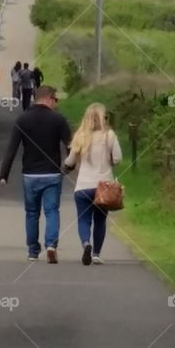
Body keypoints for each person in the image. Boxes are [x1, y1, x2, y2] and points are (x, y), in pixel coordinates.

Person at [0, 85, 71, 262]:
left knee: (32, 213)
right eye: (55, 100)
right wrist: (70, 165)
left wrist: (3, 174)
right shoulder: (59, 120)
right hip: (52, 174)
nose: (56, 103)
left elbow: (11, 149)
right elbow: (71, 145)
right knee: (52, 210)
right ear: (48, 98)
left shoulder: (23, 120)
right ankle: (51, 245)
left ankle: (32, 250)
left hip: (30, 175)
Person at [64, 103, 123, 265]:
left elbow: (70, 161)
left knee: (83, 220)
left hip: (83, 185)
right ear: (103, 118)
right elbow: (118, 158)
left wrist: (68, 165)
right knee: (100, 220)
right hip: (103, 187)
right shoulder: (109, 135)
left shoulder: (80, 136)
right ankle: (96, 253)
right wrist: (109, 161)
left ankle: (86, 243)